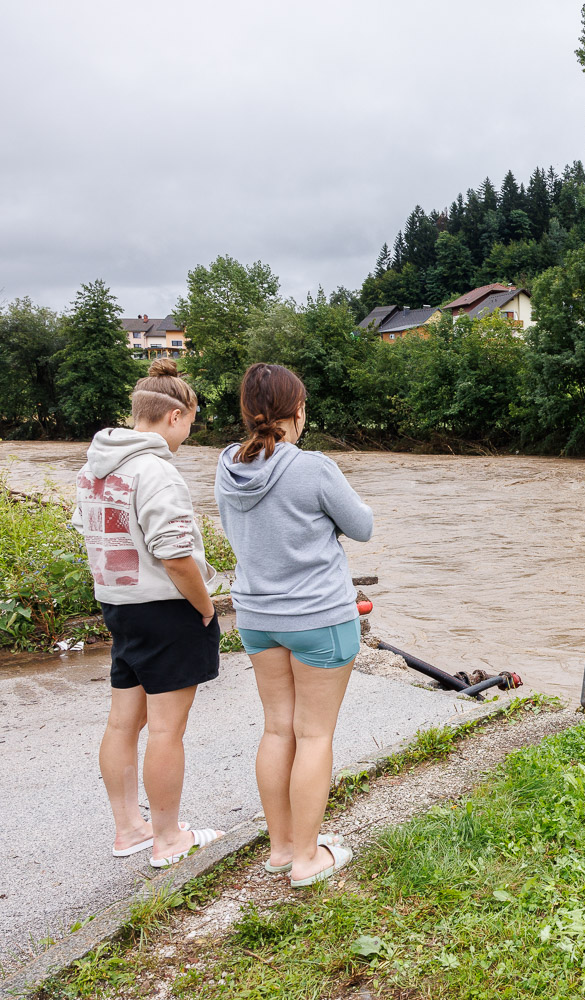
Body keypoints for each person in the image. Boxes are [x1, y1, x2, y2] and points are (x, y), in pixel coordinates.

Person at [215, 363, 372, 886]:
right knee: (314, 734)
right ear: (298, 411)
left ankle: (281, 848)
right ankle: (309, 859)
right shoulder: (314, 467)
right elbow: (362, 527)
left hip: (257, 619)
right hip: (318, 618)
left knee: (277, 727)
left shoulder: (225, 466)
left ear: (247, 412)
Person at [74, 358, 224, 868]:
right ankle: (167, 840)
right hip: (166, 610)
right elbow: (175, 553)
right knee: (165, 730)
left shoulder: (95, 467)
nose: (187, 435)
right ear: (175, 416)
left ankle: (129, 830)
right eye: (191, 423)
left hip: (119, 607)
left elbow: (89, 532)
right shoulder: (155, 470)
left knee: (122, 724)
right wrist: (205, 607)